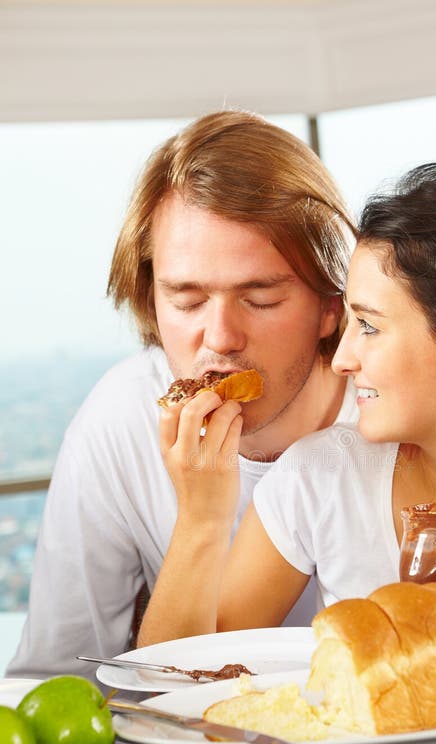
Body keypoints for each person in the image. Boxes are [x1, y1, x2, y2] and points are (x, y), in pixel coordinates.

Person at [137, 162, 436, 648]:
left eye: (370, 326)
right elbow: (172, 685)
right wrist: (200, 517)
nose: (341, 360)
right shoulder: (321, 478)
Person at [6, 110, 357, 683]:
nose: (220, 339)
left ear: (330, 305)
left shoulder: (385, 422)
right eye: (187, 301)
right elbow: (57, 674)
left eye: (261, 298)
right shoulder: (117, 421)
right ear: (150, 301)